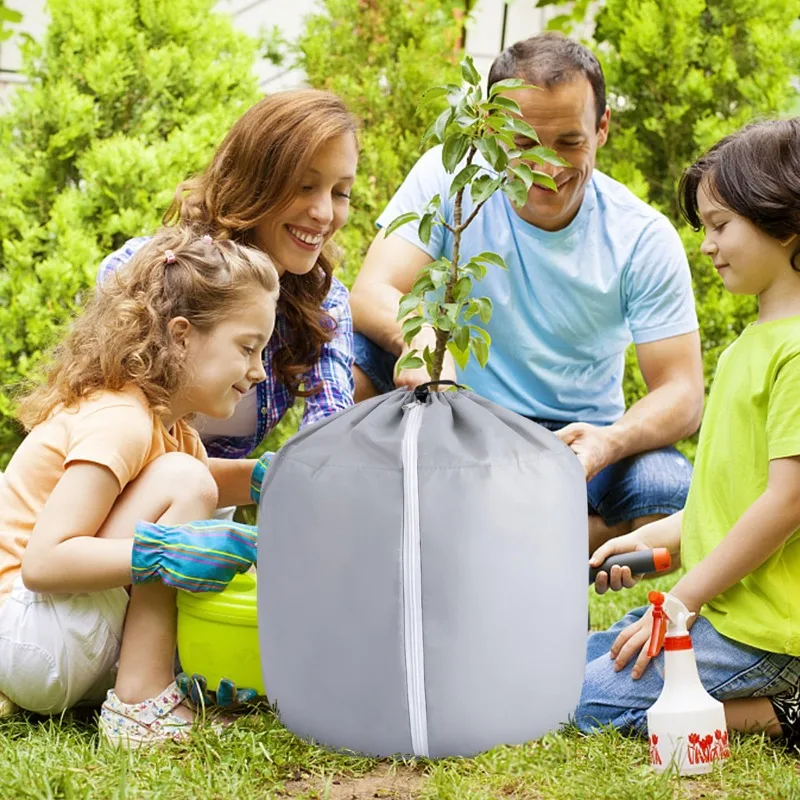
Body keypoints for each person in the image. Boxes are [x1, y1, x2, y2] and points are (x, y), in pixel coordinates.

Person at [349, 33, 704, 553]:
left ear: (602, 128)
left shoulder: (641, 236)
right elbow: (372, 292)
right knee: (355, 354)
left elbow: (682, 391)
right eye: (522, 144)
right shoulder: (452, 178)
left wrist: (609, 441)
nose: (546, 166)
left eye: (569, 142)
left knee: (669, 491)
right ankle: (362, 517)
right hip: (459, 410)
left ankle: (497, 544)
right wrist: (420, 335)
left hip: (575, 437)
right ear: (492, 130)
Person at [0, 227, 280, 747]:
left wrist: (272, 477)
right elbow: (43, 564)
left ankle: (157, 684)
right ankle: (139, 706)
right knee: (187, 481)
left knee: (194, 482)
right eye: (247, 348)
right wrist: (164, 552)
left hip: (65, 641)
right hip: (29, 631)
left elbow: (209, 484)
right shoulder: (120, 418)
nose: (259, 371)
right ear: (181, 335)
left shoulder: (173, 429)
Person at [576, 117, 800, 748]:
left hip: (764, 633)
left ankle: (786, 708)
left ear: (785, 221)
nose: (707, 246)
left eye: (721, 225)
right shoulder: (749, 346)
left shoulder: (795, 353)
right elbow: (727, 499)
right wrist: (650, 539)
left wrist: (682, 600)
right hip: (726, 612)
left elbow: (787, 502)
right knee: (575, 658)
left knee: (587, 702)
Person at [99, 89, 360, 505]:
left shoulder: (324, 304)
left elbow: (329, 430)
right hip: (102, 500)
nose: (324, 213)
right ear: (256, 180)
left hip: (202, 508)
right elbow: (100, 433)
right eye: (305, 186)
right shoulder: (147, 272)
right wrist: (273, 477)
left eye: (340, 192)